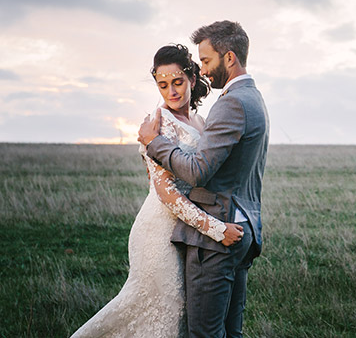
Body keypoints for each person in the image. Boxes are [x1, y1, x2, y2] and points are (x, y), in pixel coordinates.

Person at [72, 44, 242, 337]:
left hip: (187, 232)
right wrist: (216, 229)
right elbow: (166, 195)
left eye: (177, 82)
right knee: (167, 314)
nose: (171, 92)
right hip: (158, 233)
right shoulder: (158, 123)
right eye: (162, 85)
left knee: (182, 316)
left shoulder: (201, 122)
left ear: (191, 78)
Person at [138, 20, 269, 338]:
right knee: (226, 330)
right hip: (227, 225)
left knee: (205, 333)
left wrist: (153, 143)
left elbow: (198, 171)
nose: (205, 68)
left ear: (229, 58)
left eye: (207, 60)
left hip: (217, 230)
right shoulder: (254, 99)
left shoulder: (230, 104)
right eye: (162, 85)